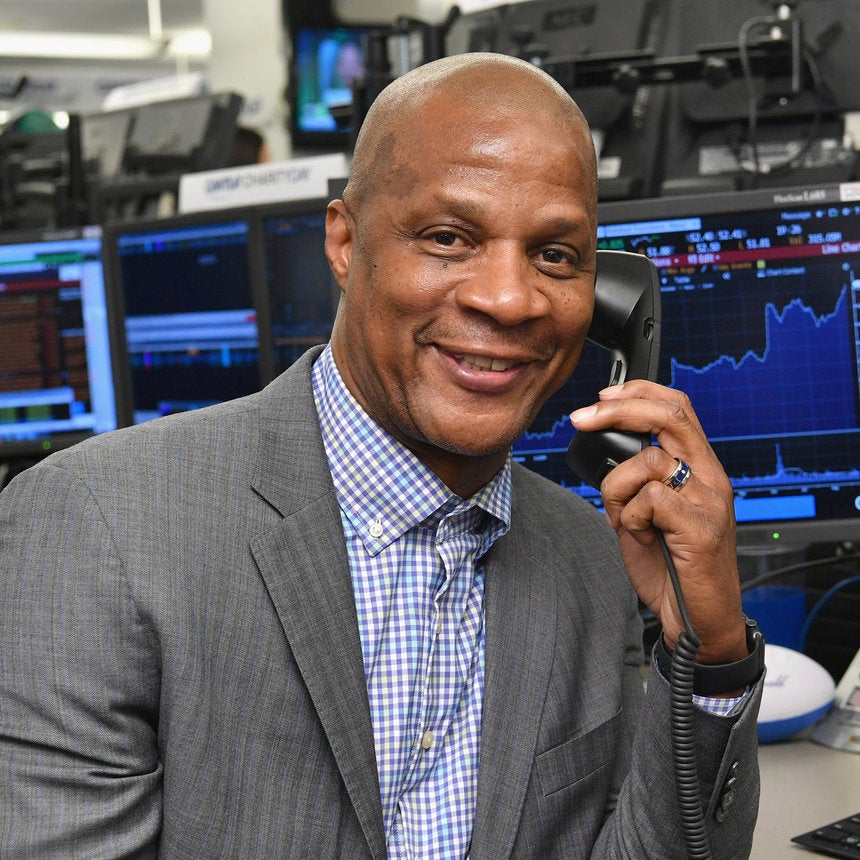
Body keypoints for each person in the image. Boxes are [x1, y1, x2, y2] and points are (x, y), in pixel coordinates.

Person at [0, 53, 763, 858]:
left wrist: (711, 650)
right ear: (344, 241)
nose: (509, 299)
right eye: (448, 238)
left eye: (554, 255)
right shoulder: (95, 526)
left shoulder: (590, 558)